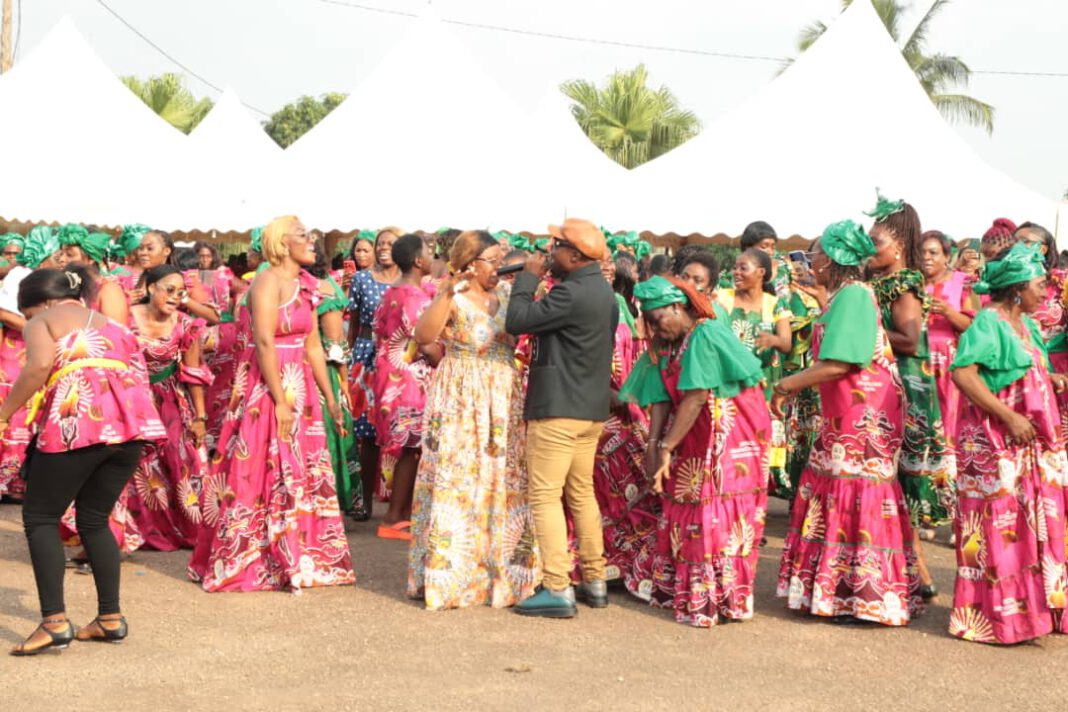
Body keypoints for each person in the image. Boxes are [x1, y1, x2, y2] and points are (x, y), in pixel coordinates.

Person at [2, 266, 164, 655]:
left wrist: (5, 412)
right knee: (94, 519)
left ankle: (54, 623)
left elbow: (38, 367)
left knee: (39, 517)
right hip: (129, 431)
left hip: (79, 425)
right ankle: (110, 618)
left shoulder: (43, 320)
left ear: (39, 303)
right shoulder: (116, 327)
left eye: (25, 314)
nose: (27, 322)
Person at [189, 216, 355, 593]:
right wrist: (280, 400)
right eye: (303, 235)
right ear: (282, 244)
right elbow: (263, 341)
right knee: (261, 465)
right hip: (268, 383)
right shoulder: (266, 281)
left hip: (303, 386)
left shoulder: (305, 284)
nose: (312, 240)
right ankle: (257, 558)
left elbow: (312, 344)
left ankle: (303, 555)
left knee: (301, 467)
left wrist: (330, 399)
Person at [772, 220, 922, 626]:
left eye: (816, 252)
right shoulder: (844, 296)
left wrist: (785, 385)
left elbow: (843, 362)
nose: (812, 260)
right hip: (847, 412)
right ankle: (841, 592)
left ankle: (860, 596)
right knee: (836, 487)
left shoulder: (855, 296)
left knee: (855, 490)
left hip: (864, 417)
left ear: (834, 258)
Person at [409, 230, 539, 610]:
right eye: (493, 260)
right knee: (459, 477)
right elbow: (423, 335)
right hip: (460, 395)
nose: (502, 266)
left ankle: (501, 577)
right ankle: (453, 576)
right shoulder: (454, 296)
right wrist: (447, 292)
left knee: (502, 478)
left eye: (503, 259)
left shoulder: (510, 295)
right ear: (469, 262)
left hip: (503, 396)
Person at [948, 242, 1068, 644]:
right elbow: (963, 374)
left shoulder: (1025, 324)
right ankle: (1001, 617)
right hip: (996, 441)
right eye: (1039, 284)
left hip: (1029, 446)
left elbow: (1019, 366)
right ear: (1017, 289)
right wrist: (1010, 415)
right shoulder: (989, 322)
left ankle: (1035, 610)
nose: (1044, 291)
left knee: (1032, 523)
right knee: (1001, 525)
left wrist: (1047, 380)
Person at [504, 218, 616, 619]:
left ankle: (556, 587)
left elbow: (517, 320)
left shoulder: (570, 293)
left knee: (546, 496)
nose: (549, 253)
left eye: (555, 247)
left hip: (559, 410)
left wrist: (527, 280)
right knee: (580, 492)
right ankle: (595, 580)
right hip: (589, 410)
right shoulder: (605, 293)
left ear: (574, 256)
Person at [867, 195, 948, 599]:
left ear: (898, 244)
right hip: (888, 385)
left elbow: (910, 338)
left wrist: (866, 339)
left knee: (900, 481)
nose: (869, 248)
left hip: (907, 389)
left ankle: (918, 564)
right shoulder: (878, 282)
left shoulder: (905, 284)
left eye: (875, 241)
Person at [123, 265, 212, 551]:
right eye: (169, 290)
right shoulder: (124, 318)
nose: (175, 297)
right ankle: (135, 529)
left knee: (179, 460)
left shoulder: (186, 324)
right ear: (150, 288)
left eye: (180, 292)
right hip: (132, 400)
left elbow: (194, 371)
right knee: (136, 464)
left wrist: (200, 416)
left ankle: (181, 528)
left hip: (171, 400)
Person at [372, 234, 439, 541]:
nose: (433, 255)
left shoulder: (393, 292)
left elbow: (379, 330)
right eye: (429, 252)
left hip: (391, 375)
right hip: (409, 379)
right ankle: (395, 516)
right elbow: (425, 341)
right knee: (411, 448)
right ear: (417, 260)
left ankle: (401, 514)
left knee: (409, 447)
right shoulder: (414, 298)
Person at [0, 227, 68, 501]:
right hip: (17, 350)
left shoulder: (42, 278)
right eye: (56, 254)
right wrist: (37, 328)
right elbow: (3, 311)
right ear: (43, 254)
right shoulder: (20, 276)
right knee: (16, 412)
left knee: (29, 416)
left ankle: (17, 484)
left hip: (32, 349)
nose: (61, 260)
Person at [347, 227, 401, 519]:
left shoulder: (409, 282)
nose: (383, 248)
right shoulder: (361, 279)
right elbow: (354, 325)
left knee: (401, 430)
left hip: (399, 357)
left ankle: (398, 504)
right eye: (380, 243)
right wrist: (349, 360)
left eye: (390, 244)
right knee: (366, 434)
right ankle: (364, 501)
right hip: (366, 355)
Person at [308, 237, 359, 516]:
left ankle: (325, 502)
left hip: (319, 373)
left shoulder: (324, 288)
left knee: (324, 431)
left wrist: (343, 384)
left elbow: (334, 345)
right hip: (306, 370)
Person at [921, 231, 976, 487]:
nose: (926, 258)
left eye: (933, 252)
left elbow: (973, 325)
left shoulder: (962, 282)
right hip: (917, 361)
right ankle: (923, 497)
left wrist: (948, 312)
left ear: (947, 256)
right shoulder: (912, 282)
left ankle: (949, 492)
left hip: (948, 363)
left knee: (949, 424)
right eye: (922, 252)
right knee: (920, 426)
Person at [132, 231, 219, 326]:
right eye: (141, 248)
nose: (143, 253)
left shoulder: (185, 281)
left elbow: (213, 318)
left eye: (150, 248)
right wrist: (127, 300)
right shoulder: (131, 280)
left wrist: (182, 297)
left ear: (166, 251)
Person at [58, 224, 129, 324]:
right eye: (61, 253)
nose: (61, 259)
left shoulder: (108, 291)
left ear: (91, 258)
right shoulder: (63, 288)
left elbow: (117, 335)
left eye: (69, 255)